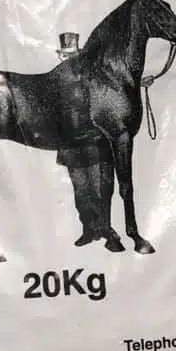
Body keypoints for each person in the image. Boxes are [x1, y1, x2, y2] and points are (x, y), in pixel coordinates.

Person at [55, 33, 123, 252]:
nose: (69, 59)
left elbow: (116, 87)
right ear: (60, 57)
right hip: (70, 146)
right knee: (81, 192)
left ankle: (106, 229)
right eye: (66, 55)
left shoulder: (93, 76)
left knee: (99, 189)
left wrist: (140, 82)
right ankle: (88, 229)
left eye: (73, 54)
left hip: (94, 144)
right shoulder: (56, 80)